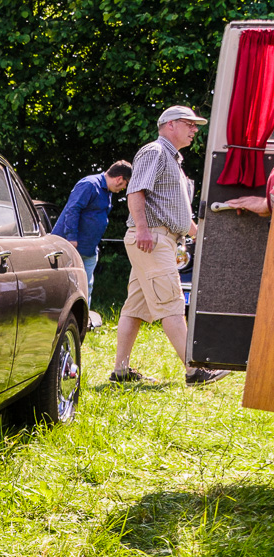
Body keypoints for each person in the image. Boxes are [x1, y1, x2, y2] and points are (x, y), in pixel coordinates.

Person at [109, 105, 230, 386]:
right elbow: (135, 191)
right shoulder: (155, 151)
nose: (195, 130)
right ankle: (194, 371)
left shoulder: (173, 159)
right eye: (189, 124)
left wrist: (197, 233)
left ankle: (121, 372)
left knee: (134, 308)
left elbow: (171, 209)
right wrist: (142, 230)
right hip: (150, 239)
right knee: (172, 303)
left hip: (157, 238)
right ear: (170, 125)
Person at [51, 160, 132, 306]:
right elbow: (72, 209)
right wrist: (71, 238)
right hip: (71, 247)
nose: (124, 188)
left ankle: (83, 324)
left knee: (85, 287)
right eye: (125, 184)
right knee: (64, 288)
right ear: (119, 178)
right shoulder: (89, 184)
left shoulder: (106, 191)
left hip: (89, 250)